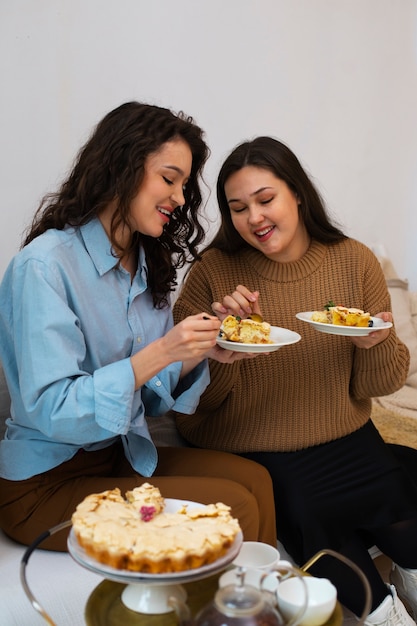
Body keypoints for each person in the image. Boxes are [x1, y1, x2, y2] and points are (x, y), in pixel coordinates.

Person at [0, 104, 277, 552]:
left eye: (184, 185)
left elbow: (147, 401)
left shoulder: (147, 267)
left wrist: (198, 351)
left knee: (256, 480)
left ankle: (253, 617)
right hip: (43, 487)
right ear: (120, 167)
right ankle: (230, 620)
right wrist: (164, 350)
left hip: (116, 461)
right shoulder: (45, 265)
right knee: (235, 508)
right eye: (169, 179)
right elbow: (52, 410)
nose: (181, 198)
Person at [173, 136, 417, 624]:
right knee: (310, 512)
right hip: (250, 442)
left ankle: (409, 575)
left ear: (297, 193)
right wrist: (225, 352)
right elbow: (187, 401)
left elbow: (381, 384)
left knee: (397, 488)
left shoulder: (354, 261)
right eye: (238, 208)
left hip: (342, 431)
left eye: (266, 200)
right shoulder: (214, 273)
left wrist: (375, 344)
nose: (254, 218)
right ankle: (383, 614)